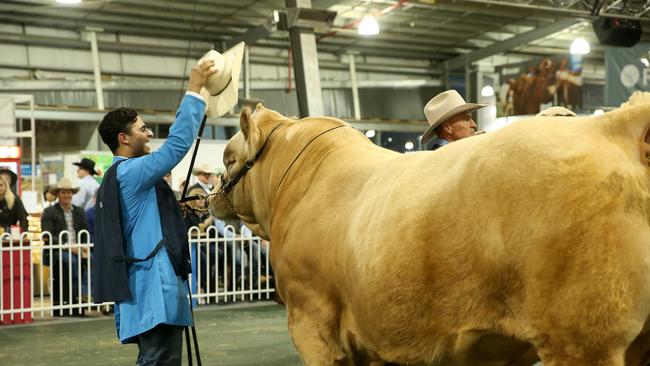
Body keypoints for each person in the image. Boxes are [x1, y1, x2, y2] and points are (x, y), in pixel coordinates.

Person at [93, 58, 219, 365]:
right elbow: (177, 146)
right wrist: (194, 89)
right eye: (142, 129)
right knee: (159, 360)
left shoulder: (118, 177)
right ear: (124, 138)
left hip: (145, 288)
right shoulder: (131, 171)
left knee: (156, 359)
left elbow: (140, 218)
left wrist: (174, 210)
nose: (149, 135)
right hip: (152, 288)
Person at [41, 177, 89, 315]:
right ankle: (73, 301)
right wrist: (68, 247)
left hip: (78, 248)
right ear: (57, 194)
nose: (67, 195)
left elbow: (84, 233)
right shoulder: (50, 212)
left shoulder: (80, 211)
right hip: (57, 250)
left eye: (69, 192)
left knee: (92, 259)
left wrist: (84, 247)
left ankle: (86, 297)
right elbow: (47, 235)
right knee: (71, 261)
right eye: (63, 192)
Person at [421, 89, 487, 150]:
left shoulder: (443, 154)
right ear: (447, 127)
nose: (474, 125)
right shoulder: (448, 157)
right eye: (466, 119)